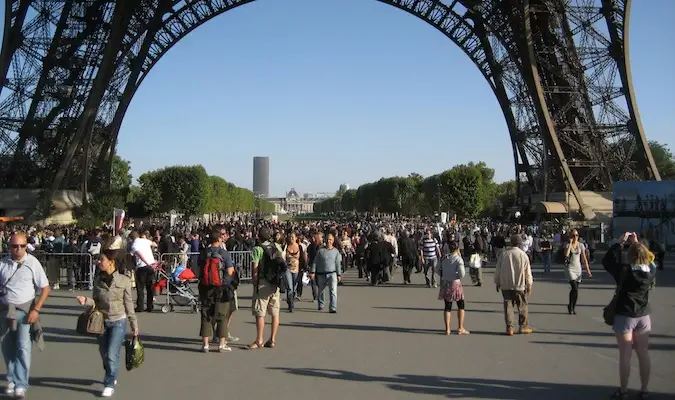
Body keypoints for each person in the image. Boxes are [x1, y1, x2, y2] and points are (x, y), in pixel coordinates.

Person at [76, 235, 138, 398]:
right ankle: (111, 371)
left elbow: (129, 303)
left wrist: (134, 324)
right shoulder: (98, 280)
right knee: (105, 354)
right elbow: (95, 301)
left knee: (112, 354)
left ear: (111, 262)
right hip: (101, 322)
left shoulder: (124, 280)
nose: (98, 262)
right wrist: (86, 301)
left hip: (118, 321)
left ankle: (109, 383)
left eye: (101, 260)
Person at [602, 232, 655, 400]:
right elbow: (651, 259)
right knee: (643, 353)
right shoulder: (651, 271)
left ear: (630, 255)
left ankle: (623, 390)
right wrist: (638, 244)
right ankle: (644, 389)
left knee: (625, 354)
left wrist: (620, 243)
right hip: (643, 314)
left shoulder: (624, 270)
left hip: (625, 314)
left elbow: (608, 261)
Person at [0, 232, 51, 398]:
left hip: (25, 311)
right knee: (8, 347)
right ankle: (12, 379)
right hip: (5, 310)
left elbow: (45, 288)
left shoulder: (32, 262)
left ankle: (21, 384)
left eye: (22, 246)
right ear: (9, 247)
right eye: (15, 246)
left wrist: (36, 310)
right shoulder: (3, 264)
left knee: (23, 347)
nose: (18, 249)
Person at [438, 241, 469, 335]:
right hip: (455, 283)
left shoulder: (444, 258)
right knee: (461, 305)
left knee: (447, 306)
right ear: (457, 248)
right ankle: (460, 327)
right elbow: (462, 273)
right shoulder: (458, 259)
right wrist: (456, 275)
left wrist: (444, 274)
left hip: (446, 282)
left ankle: (447, 329)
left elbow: (437, 269)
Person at [563, 229, 593, 315]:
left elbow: (584, 259)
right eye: (573, 235)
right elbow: (566, 255)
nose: (575, 237)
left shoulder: (581, 245)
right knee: (574, 287)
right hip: (570, 268)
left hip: (578, 268)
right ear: (570, 237)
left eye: (576, 235)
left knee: (575, 290)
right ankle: (571, 306)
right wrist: (570, 244)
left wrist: (588, 270)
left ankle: (572, 306)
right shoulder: (567, 245)